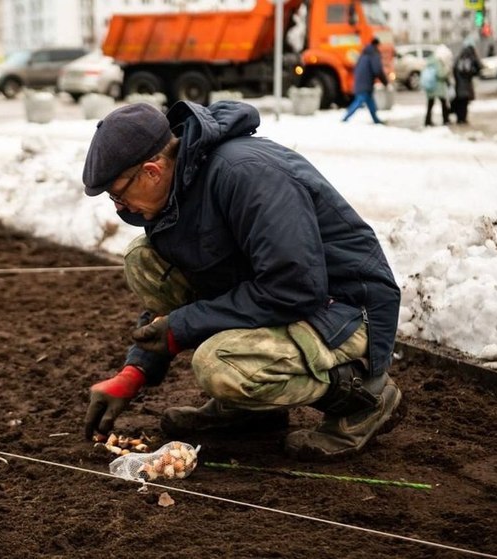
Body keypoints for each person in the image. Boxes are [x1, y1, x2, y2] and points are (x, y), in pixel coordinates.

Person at [82, 101, 404, 461]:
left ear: (152, 171)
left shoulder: (247, 174)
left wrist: (183, 326)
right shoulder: (178, 192)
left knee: (221, 365)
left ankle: (363, 398)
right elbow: (185, 295)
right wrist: (134, 371)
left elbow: (295, 286)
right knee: (143, 259)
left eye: (118, 194)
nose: (119, 207)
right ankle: (251, 414)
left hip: (344, 309)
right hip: (290, 299)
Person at [342, 38, 388, 125]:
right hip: (365, 83)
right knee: (359, 101)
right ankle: (345, 118)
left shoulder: (363, 54)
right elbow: (377, 70)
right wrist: (385, 81)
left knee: (370, 102)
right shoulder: (374, 54)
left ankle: (376, 120)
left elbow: (356, 68)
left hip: (360, 81)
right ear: (377, 45)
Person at [452, 38, 481, 125]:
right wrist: (473, 74)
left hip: (459, 82)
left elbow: (454, 67)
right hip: (466, 82)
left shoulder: (460, 55)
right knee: (464, 102)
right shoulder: (471, 55)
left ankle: (459, 118)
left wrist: (457, 78)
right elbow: (478, 65)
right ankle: (463, 119)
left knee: (460, 101)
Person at [422, 45, 453, 127]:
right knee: (443, 103)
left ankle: (427, 121)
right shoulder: (437, 61)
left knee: (430, 104)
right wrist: (447, 71)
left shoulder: (430, 60)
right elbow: (440, 74)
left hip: (430, 86)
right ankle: (445, 120)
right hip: (437, 87)